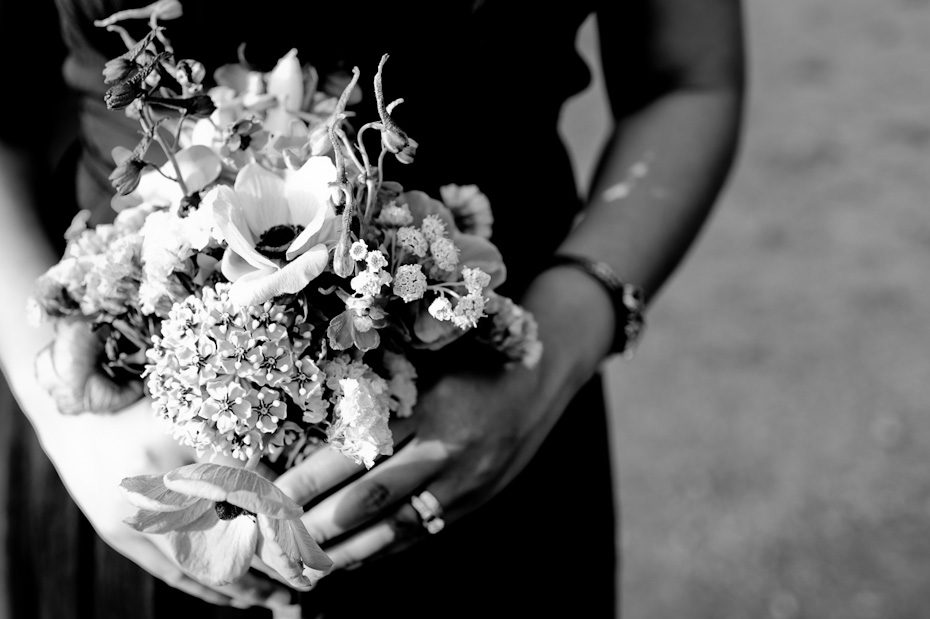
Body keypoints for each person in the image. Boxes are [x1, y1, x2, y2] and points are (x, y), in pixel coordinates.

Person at [0, 1, 745, 617]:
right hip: (129, 456)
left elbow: (687, 79)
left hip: (497, 431)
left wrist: (563, 338)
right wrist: (75, 428)